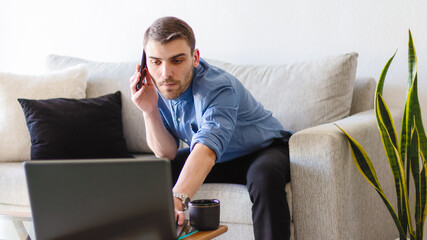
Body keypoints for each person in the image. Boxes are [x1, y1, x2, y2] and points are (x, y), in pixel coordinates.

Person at [129, 16, 292, 240]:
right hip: (221, 158)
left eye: (177, 61)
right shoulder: (160, 88)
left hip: (263, 150)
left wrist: (176, 200)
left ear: (195, 58)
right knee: (151, 172)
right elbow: (166, 153)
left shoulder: (217, 87)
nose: (165, 73)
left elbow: (205, 151)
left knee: (264, 177)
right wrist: (149, 110)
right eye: (156, 62)